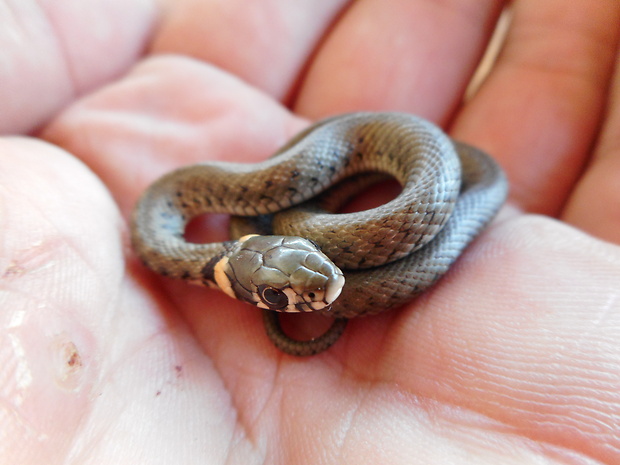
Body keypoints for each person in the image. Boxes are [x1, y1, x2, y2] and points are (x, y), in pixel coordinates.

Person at [1, 1, 619, 463]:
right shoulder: (170, 239)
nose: (319, 292)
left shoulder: (271, 226)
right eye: (284, 298)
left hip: (380, 174)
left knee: (436, 177)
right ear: (243, 288)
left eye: (299, 275)